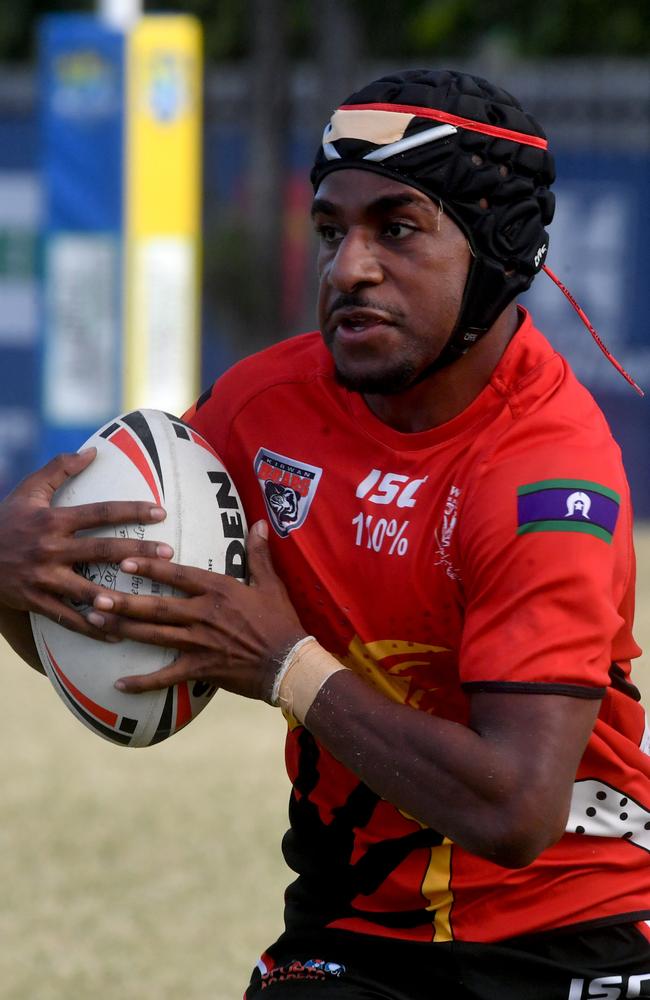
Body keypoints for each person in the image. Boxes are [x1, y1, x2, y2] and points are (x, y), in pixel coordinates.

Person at [1, 68, 650, 998]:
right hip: (351, 931)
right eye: (330, 230)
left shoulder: (547, 474)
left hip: (571, 936)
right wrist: (22, 580)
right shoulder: (262, 410)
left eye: (396, 228)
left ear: (500, 249)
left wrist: (285, 668)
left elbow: (516, 806)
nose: (349, 267)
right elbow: (132, 663)